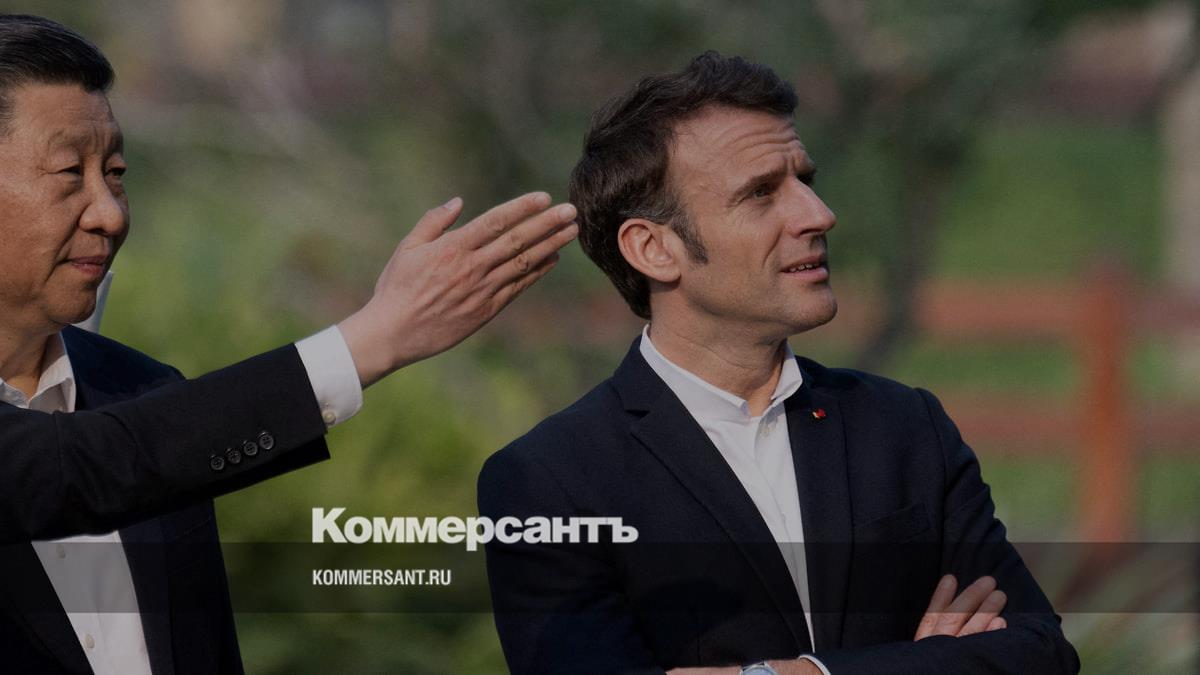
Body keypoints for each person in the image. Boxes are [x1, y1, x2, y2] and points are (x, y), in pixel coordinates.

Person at [0, 14, 576, 674]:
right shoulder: (142, 431)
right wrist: (374, 338)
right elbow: (84, 463)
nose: (109, 213)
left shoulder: (144, 390)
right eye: (69, 171)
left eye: (116, 171)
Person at [477, 52, 1079, 674]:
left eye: (805, 180)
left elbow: (1041, 653)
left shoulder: (907, 426)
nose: (818, 215)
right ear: (653, 248)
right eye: (761, 192)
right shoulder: (548, 483)